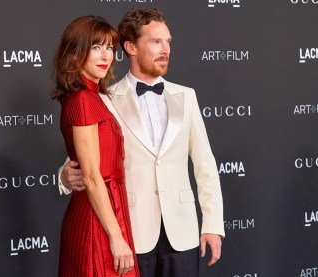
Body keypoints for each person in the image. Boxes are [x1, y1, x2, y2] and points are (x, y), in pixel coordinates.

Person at [59, 8, 224, 277]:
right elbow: (85, 159)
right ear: (131, 47)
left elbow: (205, 164)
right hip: (131, 232)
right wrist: (65, 177)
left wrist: (213, 224)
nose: (165, 49)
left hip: (181, 232)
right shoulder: (105, 98)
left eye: (168, 42)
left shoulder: (186, 96)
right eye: (155, 41)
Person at [53, 15, 139, 277]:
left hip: (108, 210)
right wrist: (115, 236)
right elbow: (91, 175)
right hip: (97, 218)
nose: (106, 56)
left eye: (110, 48)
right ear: (77, 52)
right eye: (96, 47)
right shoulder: (82, 99)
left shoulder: (95, 96)